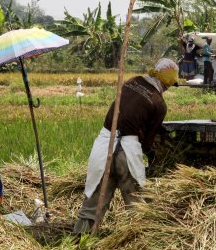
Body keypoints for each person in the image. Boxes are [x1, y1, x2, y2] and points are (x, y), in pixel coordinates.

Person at [73, 58, 179, 234]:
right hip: (127, 155)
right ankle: (138, 241)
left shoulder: (132, 81)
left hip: (104, 148)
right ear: (166, 84)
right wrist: (153, 155)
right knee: (136, 202)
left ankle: (81, 238)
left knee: (96, 200)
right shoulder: (159, 104)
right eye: (168, 85)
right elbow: (148, 141)